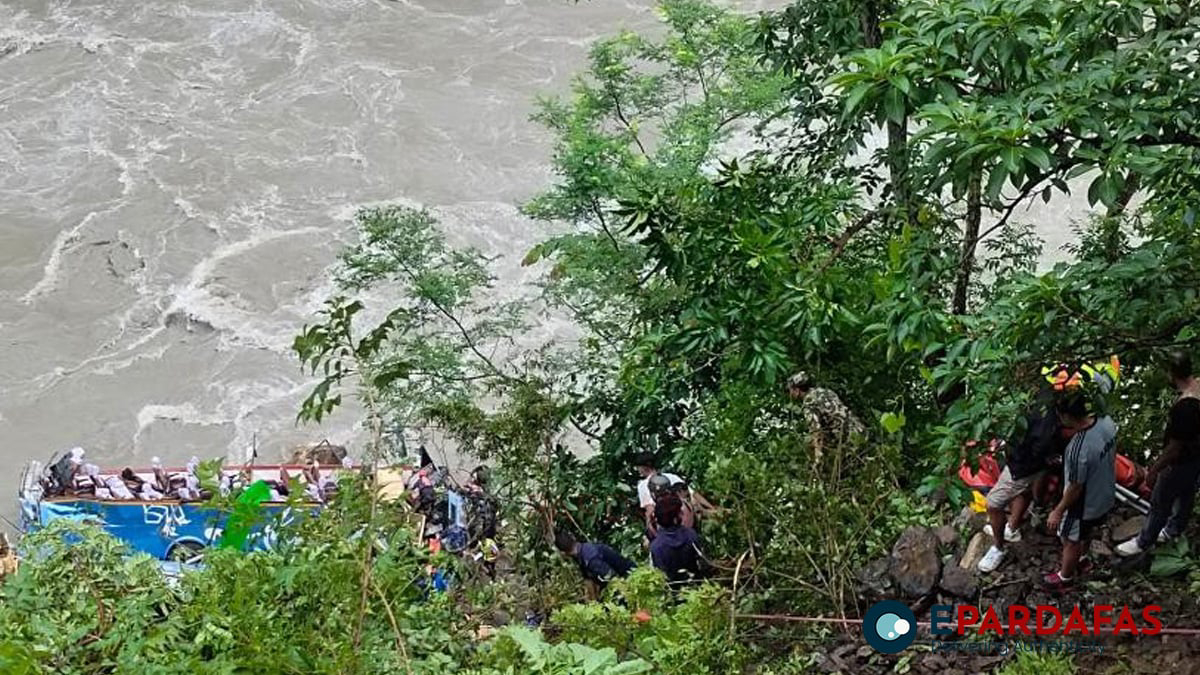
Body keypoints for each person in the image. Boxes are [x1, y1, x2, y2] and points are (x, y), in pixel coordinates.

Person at [978, 387, 1070, 573]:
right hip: (1035, 463)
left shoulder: (1045, 406)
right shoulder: (1045, 395)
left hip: (1023, 464)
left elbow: (1041, 441)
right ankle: (1012, 527)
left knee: (993, 504)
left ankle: (998, 547)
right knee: (1024, 491)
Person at [1117, 352, 1200, 556]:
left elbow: (1175, 447)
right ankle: (1174, 528)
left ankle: (1144, 541)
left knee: (1160, 501)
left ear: (1171, 373)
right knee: (1186, 493)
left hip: (1180, 460)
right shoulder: (1198, 385)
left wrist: (1155, 469)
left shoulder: (1185, 406)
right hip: (1196, 456)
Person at [1044, 392, 1117, 591]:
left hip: (1084, 504)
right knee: (1085, 533)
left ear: (1066, 416)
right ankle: (1082, 559)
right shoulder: (1106, 422)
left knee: (1070, 539)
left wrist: (1058, 510)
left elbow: (1076, 486)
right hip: (1105, 493)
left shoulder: (1078, 449)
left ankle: (1064, 577)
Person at [786, 371, 865, 461]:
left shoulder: (809, 403)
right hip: (859, 429)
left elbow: (816, 430)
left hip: (847, 440)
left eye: (790, 390)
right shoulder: (826, 392)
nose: (790, 394)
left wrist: (818, 457)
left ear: (797, 390)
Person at [554, 530, 636, 599]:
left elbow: (614, 579)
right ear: (573, 538)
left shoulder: (591, 560)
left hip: (629, 578)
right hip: (621, 579)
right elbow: (588, 580)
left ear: (563, 553)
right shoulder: (581, 553)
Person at [649, 492, 703, 586]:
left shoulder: (656, 546)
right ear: (675, 518)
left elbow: (659, 576)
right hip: (695, 586)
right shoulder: (691, 535)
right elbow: (701, 563)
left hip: (672, 591)